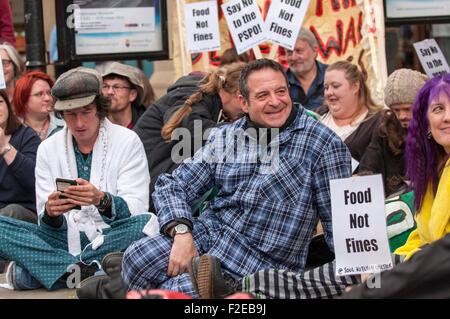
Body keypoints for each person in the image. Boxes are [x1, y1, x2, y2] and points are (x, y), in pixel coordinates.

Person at [192, 73, 450, 300]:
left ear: (357, 88)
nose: (447, 117)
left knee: (318, 280)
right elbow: (368, 174)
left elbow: (440, 250)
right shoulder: (431, 167)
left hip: (428, 268)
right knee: (312, 278)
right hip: (409, 254)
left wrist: (384, 270)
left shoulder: (356, 128)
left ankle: (241, 292)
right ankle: (242, 291)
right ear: (425, 122)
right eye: (438, 109)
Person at [122, 59, 352, 297]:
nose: (275, 101)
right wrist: (181, 232)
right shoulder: (227, 135)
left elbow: (343, 226)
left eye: (281, 91)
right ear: (243, 102)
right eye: (263, 95)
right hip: (207, 236)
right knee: (136, 258)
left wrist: (359, 278)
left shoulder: (323, 145)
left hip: (255, 266)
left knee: (174, 292)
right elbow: (172, 184)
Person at [0, 67, 154, 291]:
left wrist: (102, 199)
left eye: (86, 111)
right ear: (61, 114)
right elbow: (45, 220)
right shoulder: (48, 148)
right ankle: (88, 271)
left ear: (99, 109)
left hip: (110, 238)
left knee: (148, 223)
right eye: (71, 114)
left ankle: (51, 271)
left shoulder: (128, 141)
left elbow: (137, 208)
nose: (79, 122)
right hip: (63, 240)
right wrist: (52, 213)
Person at [135, 62, 245, 212]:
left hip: (159, 182)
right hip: (149, 186)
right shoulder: (191, 93)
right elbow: (190, 131)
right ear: (238, 95)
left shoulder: (213, 104)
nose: (246, 112)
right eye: (247, 104)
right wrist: (242, 131)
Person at [359, 69, 427, 196]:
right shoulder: (385, 130)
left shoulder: (434, 130)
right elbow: (368, 168)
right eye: (396, 110)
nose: (402, 116)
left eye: (407, 109)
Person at [318, 61, 384, 168]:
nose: (329, 92)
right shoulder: (315, 117)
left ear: (355, 87)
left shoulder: (379, 122)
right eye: (326, 87)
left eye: (335, 86)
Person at [0, 89, 41, 223]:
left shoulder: (27, 136)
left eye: (0, 102)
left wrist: (4, 147)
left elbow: (35, 180)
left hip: (25, 211)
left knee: (9, 213)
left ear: (7, 105)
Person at [13, 71, 64, 140]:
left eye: (49, 93)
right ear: (23, 99)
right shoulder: (12, 130)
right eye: (39, 94)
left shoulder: (65, 124)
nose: (47, 98)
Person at [286, 28, 327, 111]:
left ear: (315, 51)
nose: (294, 57)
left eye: (299, 51)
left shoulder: (332, 76)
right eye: (289, 52)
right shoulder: (281, 81)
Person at [101, 62, 145, 129]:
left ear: (132, 95)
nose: (110, 92)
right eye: (105, 86)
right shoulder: (94, 125)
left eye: (117, 87)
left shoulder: (146, 125)